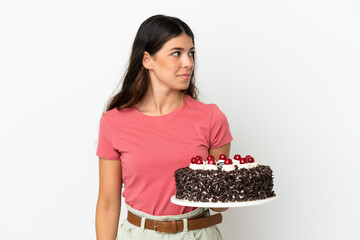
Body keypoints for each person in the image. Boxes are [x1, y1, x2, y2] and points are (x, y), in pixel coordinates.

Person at [95, 14, 233, 240]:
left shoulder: (211, 118)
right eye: (176, 53)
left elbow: (221, 205)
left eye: (191, 53)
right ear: (147, 60)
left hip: (197, 234)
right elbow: (108, 203)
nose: (188, 62)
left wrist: (223, 191)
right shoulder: (114, 122)